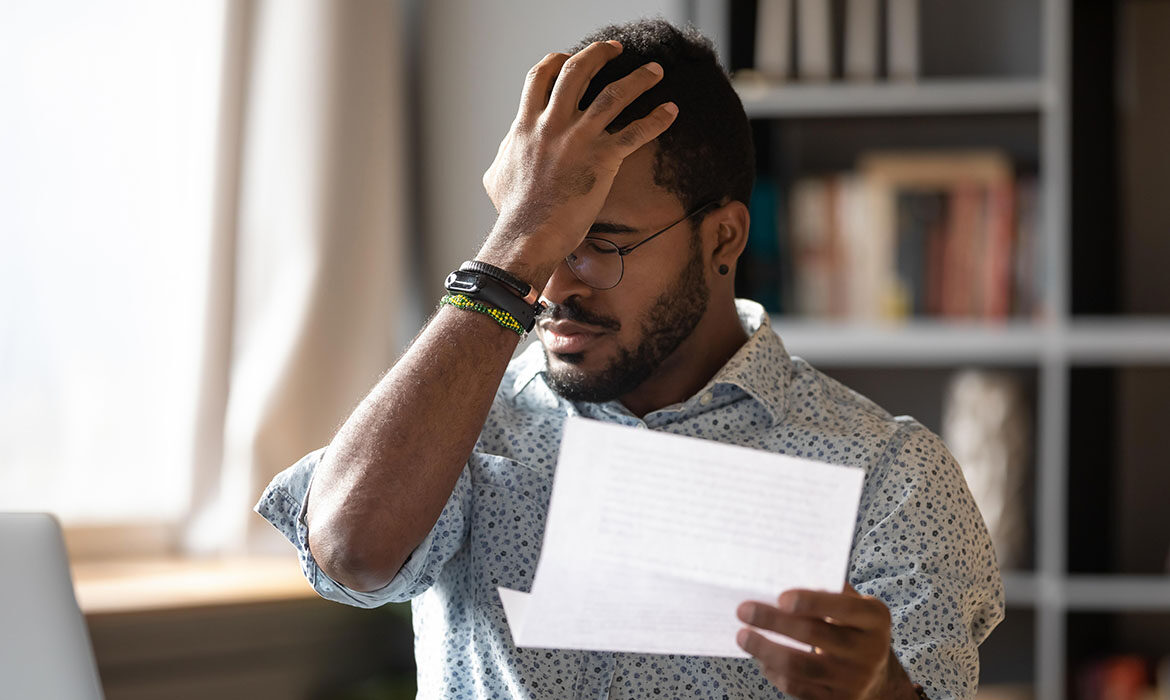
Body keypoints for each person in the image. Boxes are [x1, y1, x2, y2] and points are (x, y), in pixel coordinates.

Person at [256, 18, 1004, 700]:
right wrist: (515, 241)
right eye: (541, 240)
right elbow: (351, 552)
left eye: (601, 244)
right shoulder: (463, 426)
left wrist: (882, 693)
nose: (550, 288)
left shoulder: (890, 476)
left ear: (723, 239)